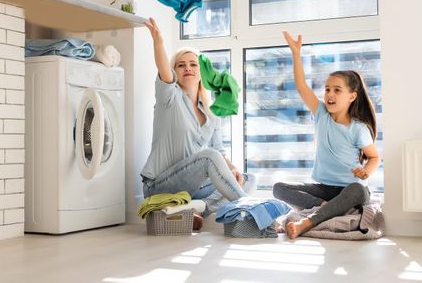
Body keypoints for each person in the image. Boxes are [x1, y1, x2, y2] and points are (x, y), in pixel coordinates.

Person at [140, 17, 256, 229]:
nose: (188, 68)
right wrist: (158, 43)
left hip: (190, 186)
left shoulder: (211, 113)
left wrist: (232, 169)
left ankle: (192, 211)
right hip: (160, 185)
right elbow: (165, 72)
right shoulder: (170, 97)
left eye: (194, 64)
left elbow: (219, 152)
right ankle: (252, 209)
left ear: (202, 72)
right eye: (181, 65)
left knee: (247, 179)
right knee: (208, 158)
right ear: (175, 71)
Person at [273, 31, 381, 239]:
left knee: (358, 191)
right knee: (279, 188)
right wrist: (296, 54)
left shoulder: (358, 128)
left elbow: (374, 157)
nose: (330, 94)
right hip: (324, 189)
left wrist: (366, 172)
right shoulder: (321, 113)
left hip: (350, 188)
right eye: (327, 89)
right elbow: (301, 87)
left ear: (352, 96)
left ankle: (309, 221)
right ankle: (328, 207)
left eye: (337, 90)